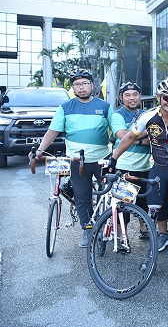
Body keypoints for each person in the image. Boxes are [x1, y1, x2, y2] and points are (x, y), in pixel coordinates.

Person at [108, 78, 168, 269]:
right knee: (155, 209)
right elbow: (129, 137)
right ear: (159, 97)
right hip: (159, 168)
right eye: (167, 98)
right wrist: (114, 158)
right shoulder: (148, 116)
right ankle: (162, 236)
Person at [33, 69, 114, 247]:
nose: (81, 87)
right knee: (82, 197)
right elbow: (52, 131)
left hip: (101, 159)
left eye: (84, 83)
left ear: (92, 85)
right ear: (73, 88)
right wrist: (39, 150)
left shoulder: (105, 106)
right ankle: (88, 229)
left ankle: (106, 226)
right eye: (77, 84)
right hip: (77, 161)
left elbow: (117, 128)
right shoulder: (65, 108)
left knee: (108, 195)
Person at [109, 82, 152, 236]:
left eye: (135, 94)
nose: (132, 98)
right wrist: (144, 135)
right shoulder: (117, 115)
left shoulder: (147, 114)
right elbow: (122, 135)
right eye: (127, 95)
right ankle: (122, 236)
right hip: (124, 166)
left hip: (144, 166)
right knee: (123, 203)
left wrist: (133, 138)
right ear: (121, 98)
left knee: (143, 203)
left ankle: (144, 229)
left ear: (140, 96)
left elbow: (154, 136)